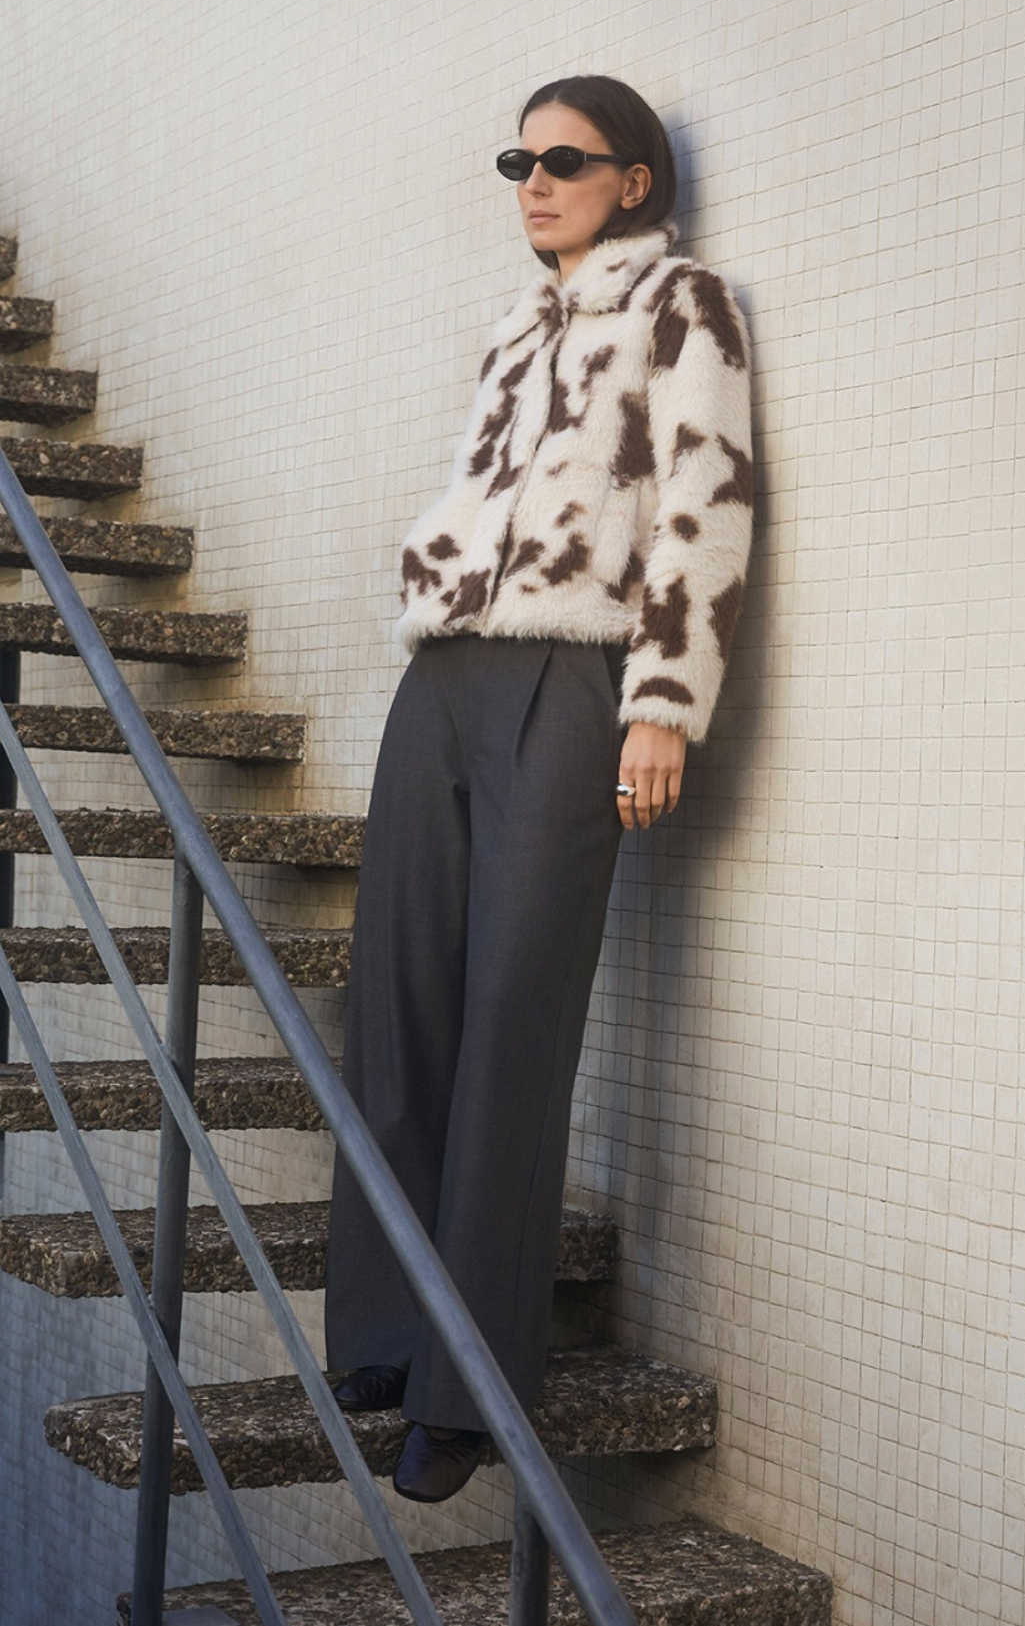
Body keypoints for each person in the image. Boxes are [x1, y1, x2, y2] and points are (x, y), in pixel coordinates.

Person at [324, 73, 753, 1504]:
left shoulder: (685, 302)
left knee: (515, 1015)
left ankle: (468, 1386)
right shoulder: (516, 328)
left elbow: (706, 500)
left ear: (634, 177)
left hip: (574, 690)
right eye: (519, 157)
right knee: (399, 1006)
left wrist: (663, 705)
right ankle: (385, 1333)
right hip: (444, 677)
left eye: (564, 158)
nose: (533, 178)